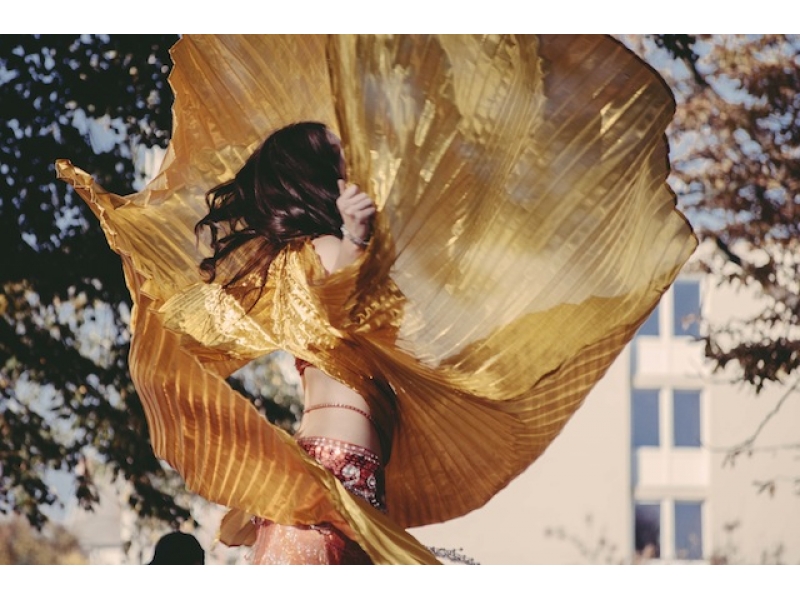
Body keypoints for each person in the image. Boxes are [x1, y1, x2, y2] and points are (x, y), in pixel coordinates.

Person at [57, 34, 697, 565]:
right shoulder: (320, 254)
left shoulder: (301, 262)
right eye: (341, 166)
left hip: (349, 482)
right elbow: (335, 290)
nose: (355, 172)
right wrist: (356, 238)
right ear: (316, 182)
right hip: (332, 479)